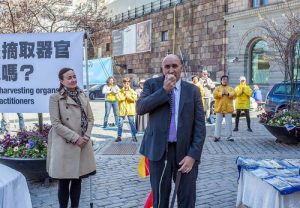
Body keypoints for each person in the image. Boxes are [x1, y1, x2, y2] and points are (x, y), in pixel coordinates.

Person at [137, 54, 206, 207]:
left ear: (181, 67)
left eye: (175, 66)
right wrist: (164, 91)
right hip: (159, 152)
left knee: (187, 199)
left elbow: (200, 126)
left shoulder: (193, 90)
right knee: (160, 200)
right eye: (167, 66)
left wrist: (193, 155)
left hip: (185, 153)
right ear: (162, 68)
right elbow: (140, 108)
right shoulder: (152, 85)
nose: (171, 70)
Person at [47, 68, 96, 208]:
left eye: (74, 76)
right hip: (65, 144)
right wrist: (76, 138)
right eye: (69, 77)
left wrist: (86, 137)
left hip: (83, 144)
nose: (73, 79)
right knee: (64, 182)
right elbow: (56, 124)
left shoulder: (82, 95)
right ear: (62, 81)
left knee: (78, 180)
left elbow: (91, 119)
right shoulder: (55, 98)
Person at [213, 75, 235, 142]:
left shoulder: (230, 88)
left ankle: (229, 136)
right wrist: (221, 93)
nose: (225, 80)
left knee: (229, 123)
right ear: (221, 80)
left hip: (228, 107)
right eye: (224, 79)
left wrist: (228, 93)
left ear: (227, 81)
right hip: (219, 107)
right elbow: (214, 95)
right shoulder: (217, 88)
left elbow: (234, 94)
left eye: (226, 79)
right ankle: (217, 136)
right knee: (218, 123)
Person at [115, 77, 138, 142]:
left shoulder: (132, 91)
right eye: (124, 83)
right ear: (123, 83)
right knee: (120, 124)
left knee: (132, 123)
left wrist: (127, 96)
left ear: (129, 83)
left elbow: (134, 98)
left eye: (127, 83)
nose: (126, 84)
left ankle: (134, 136)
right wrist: (125, 96)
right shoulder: (120, 91)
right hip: (122, 110)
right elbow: (118, 98)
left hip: (130, 110)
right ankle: (119, 136)